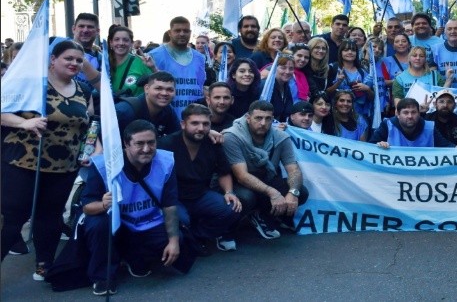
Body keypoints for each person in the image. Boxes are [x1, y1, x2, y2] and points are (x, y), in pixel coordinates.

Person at [1, 40, 93, 280]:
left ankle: (44, 263)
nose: (74, 63)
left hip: (64, 167)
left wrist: (91, 149)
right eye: (68, 58)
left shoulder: (84, 90)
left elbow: (88, 125)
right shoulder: (31, 84)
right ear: (53, 60)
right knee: (14, 216)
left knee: (50, 216)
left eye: (78, 60)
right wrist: (24, 122)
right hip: (24, 163)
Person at [81, 120, 196, 295]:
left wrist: (173, 241)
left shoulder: (165, 161)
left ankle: (134, 258)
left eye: (151, 143)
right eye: (139, 143)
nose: (146, 149)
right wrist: (103, 204)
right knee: (98, 225)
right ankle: (103, 276)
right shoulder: (104, 165)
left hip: (145, 220)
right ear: (126, 144)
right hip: (114, 222)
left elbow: (169, 204)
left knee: (176, 238)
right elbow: (87, 207)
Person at [158, 104, 241, 253]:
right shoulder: (167, 144)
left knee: (231, 209)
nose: (201, 128)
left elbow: (224, 172)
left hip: (200, 195)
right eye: (195, 123)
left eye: (205, 124)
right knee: (182, 221)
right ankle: (186, 238)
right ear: (183, 124)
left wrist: (229, 192)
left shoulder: (213, 143)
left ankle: (197, 236)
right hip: (174, 199)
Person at [223, 100, 308, 239]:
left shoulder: (280, 137)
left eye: (268, 119)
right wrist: (273, 193)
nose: (263, 123)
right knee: (246, 198)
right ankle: (227, 229)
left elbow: (294, 170)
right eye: (258, 118)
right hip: (237, 183)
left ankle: (263, 215)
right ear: (248, 118)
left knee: (301, 191)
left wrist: (293, 193)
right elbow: (241, 176)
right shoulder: (232, 136)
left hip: (265, 178)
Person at [148, 17, 206, 118]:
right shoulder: (154, 56)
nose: (182, 34)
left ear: (190, 33)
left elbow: (200, 86)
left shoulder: (200, 57)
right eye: (177, 30)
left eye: (186, 31)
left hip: (194, 118)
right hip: (165, 117)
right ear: (170, 33)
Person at [369, 98, 456, 148]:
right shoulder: (387, 125)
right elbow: (368, 148)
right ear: (398, 114)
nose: (410, 116)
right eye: (406, 112)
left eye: (413, 112)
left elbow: (447, 147)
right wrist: (378, 145)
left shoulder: (430, 127)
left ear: (419, 113)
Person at [116, 71, 181, 137]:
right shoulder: (124, 112)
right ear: (146, 88)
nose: (164, 93)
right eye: (158, 88)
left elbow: (177, 139)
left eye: (170, 90)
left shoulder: (168, 110)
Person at [326, 39, 374, 119]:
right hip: (336, 115)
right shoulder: (332, 68)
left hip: (359, 115)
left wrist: (367, 89)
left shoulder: (362, 71)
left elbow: (372, 97)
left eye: (353, 50)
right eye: (346, 50)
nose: (350, 52)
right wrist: (338, 82)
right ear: (341, 52)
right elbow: (327, 92)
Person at [108, 25, 156, 98]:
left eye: (125, 40)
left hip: (136, 108)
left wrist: (153, 68)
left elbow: (160, 83)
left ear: (131, 43)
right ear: (111, 42)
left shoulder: (141, 62)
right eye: (117, 39)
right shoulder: (104, 63)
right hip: (109, 108)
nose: (121, 43)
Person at [270, 53, 300, 123]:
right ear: (275, 68)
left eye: (291, 68)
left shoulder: (286, 87)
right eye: (283, 68)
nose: (287, 72)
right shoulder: (268, 87)